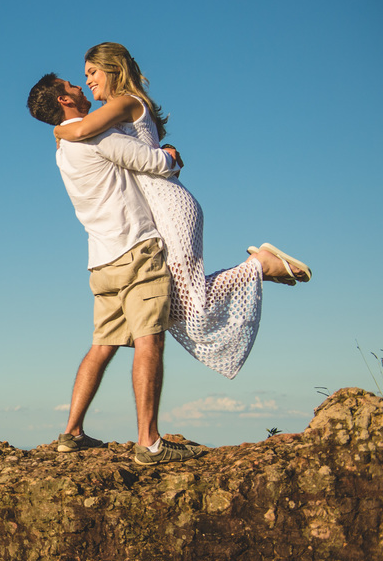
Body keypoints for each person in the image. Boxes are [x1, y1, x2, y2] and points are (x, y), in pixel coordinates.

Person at [52, 43, 311, 379]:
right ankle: (257, 268)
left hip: (169, 206)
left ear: (113, 68)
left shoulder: (125, 102)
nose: (87, 81)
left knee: (190, 304)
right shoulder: (117, 109)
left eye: (92, 72)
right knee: (173, 307)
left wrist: (58, 130)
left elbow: (81, 129)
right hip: (159, 210)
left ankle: (259, 266)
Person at [27, 72, 202, 465]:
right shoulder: (95, 136)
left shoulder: (63, 148)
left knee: (102, 345)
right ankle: (149, 443)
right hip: (135, 248)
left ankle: (72, 432)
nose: (80, 86)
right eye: (71, 85)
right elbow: (155, 162)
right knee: (150, 340)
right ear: (64, 100)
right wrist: (171, 153)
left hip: (101, 260)